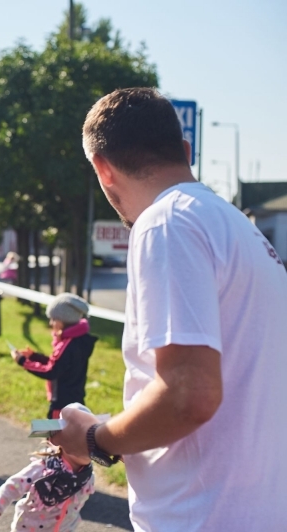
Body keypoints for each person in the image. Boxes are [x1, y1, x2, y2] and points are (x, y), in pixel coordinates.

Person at [52, 87, 287, 530]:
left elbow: (188, 396)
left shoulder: (165, 222)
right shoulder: (240, 228)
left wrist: (92, 439)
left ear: (102, 168)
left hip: (201, 515)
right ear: (184, 150)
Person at [0, 404, 96, 532]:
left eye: (93, 442)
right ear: (60, 440)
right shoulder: (43, 470)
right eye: (83, 442)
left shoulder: (87, 477)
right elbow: (11, 487)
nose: (90, 448)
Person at [11, 293, 96, 419]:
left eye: (53, 319)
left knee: (56, 432)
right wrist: (34, 356)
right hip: (76, 400)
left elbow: (51, 371)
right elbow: (61, 364)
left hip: (62, 405)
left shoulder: (66, 345)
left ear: (65, 320)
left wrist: (23, 361)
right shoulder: (80, 340)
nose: (51, 323)